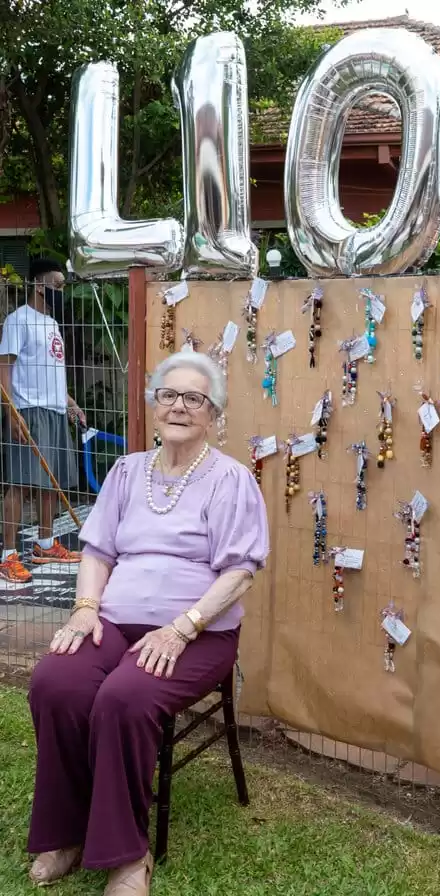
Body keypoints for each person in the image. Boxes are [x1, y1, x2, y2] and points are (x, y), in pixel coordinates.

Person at [25, 350, 269, 896]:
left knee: (124, 698)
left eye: (194, 399)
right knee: (55, 683)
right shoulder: (127, 471)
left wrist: (182, 627)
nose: (179, 406)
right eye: (168, 395)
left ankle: (127, 853)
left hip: (199, 633)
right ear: (153, 404)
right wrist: (85, 610)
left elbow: (241, 572)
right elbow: (97, 551)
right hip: (114, 620)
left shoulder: (230, 480)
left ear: (214, 415)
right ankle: (65, 833)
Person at [0, 258, 86, 584]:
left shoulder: (52, 323)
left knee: (53, 483)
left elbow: (51, 371)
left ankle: (45, 544)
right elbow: (4, 366)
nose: (61, 292)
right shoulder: (18, 321)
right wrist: (12, 411)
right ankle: (7, 556)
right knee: (21, 484)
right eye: (57, 286)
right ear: (40, 285)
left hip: (54, 411)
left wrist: (71, 404)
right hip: (29, 411)